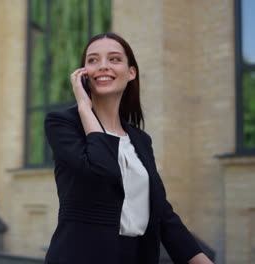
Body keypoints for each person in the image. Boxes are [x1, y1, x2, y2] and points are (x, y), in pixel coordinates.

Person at [43, 33, 213, 264]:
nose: (103, 66)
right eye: (93, 60)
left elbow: (162, 214)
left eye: (114, 59)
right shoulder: (62, 124)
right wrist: (84, 107)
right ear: (83, 74)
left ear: (131, 72)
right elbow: (100, 170)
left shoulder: (140, 140)